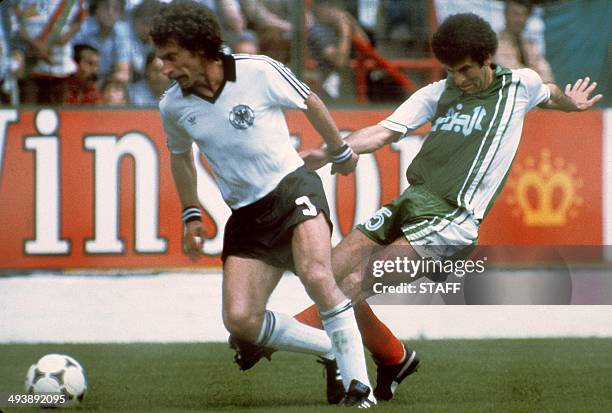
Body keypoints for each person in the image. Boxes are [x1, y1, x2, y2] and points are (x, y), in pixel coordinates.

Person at [243, 12, 604, 402]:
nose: (460, 79)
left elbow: (549, 92)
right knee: (327, 273)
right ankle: (393, 357)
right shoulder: (438, 92)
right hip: (412, 200)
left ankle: (271, 339)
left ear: (487, 59)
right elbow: (383, 131)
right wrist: (336, 150)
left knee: (352, 286)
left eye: (466, 70)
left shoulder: (520, 85)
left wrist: (572, 103)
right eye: (452, 71)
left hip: (452, 220)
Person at [150, 0, 375, 407]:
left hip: (293, 189)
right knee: (241, 321)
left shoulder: (257, 70)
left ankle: (360, 387)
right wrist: (190, 214)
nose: (164, 67)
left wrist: (340, 152)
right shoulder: (173, 106)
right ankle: (329, 349)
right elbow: (181, 157)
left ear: (199, 49)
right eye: (161, 58)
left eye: (171, 57)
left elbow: (310, 101)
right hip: (247, 214)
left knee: (316, 274)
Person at [12, 0, 86, 104]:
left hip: (59, 67)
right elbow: (14, 22)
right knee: (29, 112)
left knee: (58, 113)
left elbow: (79, 19)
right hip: (30, 66)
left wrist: (67, 36)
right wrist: (35, 45)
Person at [494, 0, 554, 82]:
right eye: (515, 14)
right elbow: (513, 75)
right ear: (506, 14)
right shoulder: (495, 43)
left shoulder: (530, 45)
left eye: (524, 15)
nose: (520, 20)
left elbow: (547, 76)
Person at [72, 0, 131, 83]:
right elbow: (71, 61)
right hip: (80, 78)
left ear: (120, 14)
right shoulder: (83, 27)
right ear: (96, 9)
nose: (110, 12)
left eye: (116, 9)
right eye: (106, 7)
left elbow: (123, 72)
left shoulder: (122, 32)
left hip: (105, 82)